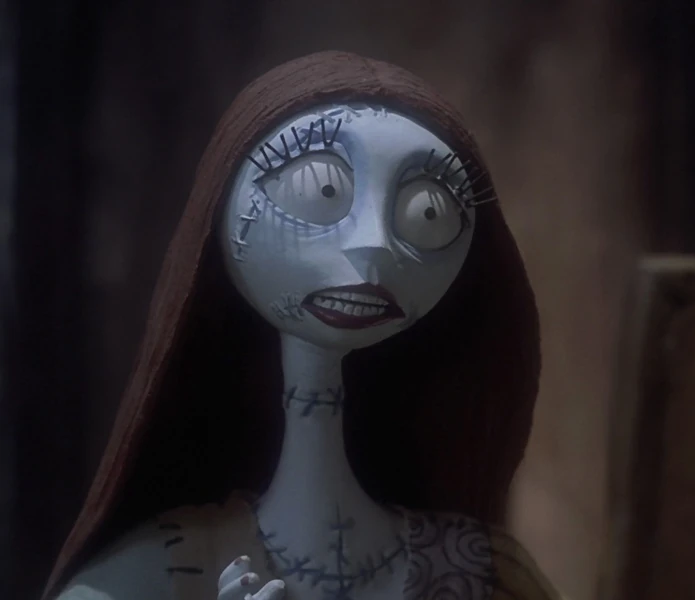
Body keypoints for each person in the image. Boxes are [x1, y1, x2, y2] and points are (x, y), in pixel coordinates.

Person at [44, 51, 556, 600]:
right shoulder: (152, 574)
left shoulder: (483, 572)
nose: (374, 243)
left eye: (427, 211)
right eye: (320, 187)